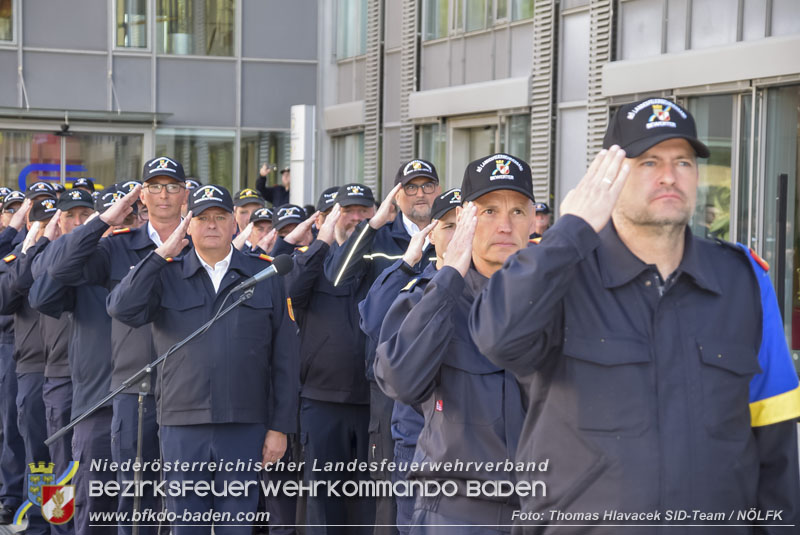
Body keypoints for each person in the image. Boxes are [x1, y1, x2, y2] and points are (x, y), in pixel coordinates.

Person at [469, 98, 800, 533]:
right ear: (612, 176)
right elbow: (497, 337)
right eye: (648, 162)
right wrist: (571, 230)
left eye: (683, 161)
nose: (669, 176)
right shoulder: (560, 274)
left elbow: (775, 438)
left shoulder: (742, 281)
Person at [106, 184, 299, 535]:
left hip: (245, 424)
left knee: (236, 526)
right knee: (186, 525)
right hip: (181, 423)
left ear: (233, 224)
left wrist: (280, 427)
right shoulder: (164, 273)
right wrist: (159, 255)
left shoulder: (264, 275)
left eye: (220, 217)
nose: (212, 225)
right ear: (188, 224)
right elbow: (121, 308)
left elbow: (285, 357)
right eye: (203, 217)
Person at [375, 155, 533, 533]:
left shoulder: (556, 301)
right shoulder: (429, 299)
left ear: (533, 220)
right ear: (466, 219)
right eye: (489, 210)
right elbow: (399, 380)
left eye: (518, 211)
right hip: (459, 514)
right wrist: (449, 279)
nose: (505, 225)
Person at [44, 156, 191, 535]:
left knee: (175, 509)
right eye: (154, 186)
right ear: (141, 195)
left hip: (184, 399)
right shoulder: (116, 248)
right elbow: (55, 274)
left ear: (185, 194)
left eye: (172, 186)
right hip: (110, 399)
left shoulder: (200, 246)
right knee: (103, 508)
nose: (163, 195)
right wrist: (104, 220)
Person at [324, 160, 440, 535]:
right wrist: (373, 224)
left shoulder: (452, 233)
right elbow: (337, 277)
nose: (420, 193)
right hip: (390, 384)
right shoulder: (380, 238)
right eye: (411, 187)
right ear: (396, 195)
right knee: (392, 492)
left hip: (445, 381)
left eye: (427, 185)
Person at [29, 186, 137, 535]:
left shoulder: (148, 259)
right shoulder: (79, 264)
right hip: (83, 394)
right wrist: (86, 236)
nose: (121, 228)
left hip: (139, 396)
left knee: (138, 503)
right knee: (79, 491)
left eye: (130, 219)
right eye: (111, 222)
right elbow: (39, 295)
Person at [359, 188, 460, 534]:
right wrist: (407, 262)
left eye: (466, 226)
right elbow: (373, 320)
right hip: (417, 442)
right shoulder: (417, 285)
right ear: (431, 234)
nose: (460, 236)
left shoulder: (495, 287)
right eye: (448, 227)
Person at [285, 184, 378, 534]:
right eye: (346, 211)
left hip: (372, 402)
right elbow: (290, 293)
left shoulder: (380, 259)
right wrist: (320, 243)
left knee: (370, 501)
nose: (355, 217)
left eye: (362, 210)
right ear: (324, 219)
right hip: (321, 401)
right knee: (324, 504)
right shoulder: (308, 263)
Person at [0, 196, 60, 535]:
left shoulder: (75, 254)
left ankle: (61, 519)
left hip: (68, 366)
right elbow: (7, 298)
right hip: (34, 366)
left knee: (64, 457)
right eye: (42, 220)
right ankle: (38, 521)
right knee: (39, 455)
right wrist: (34, 241)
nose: (50, 225)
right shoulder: (19, 258)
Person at [0, 193, 29, 526]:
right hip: (8, 340)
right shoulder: (8, 244)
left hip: (30, 346)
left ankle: (18, 498)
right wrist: (17, 223)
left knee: (19, 427)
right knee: (8, 425)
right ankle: (10, 494)